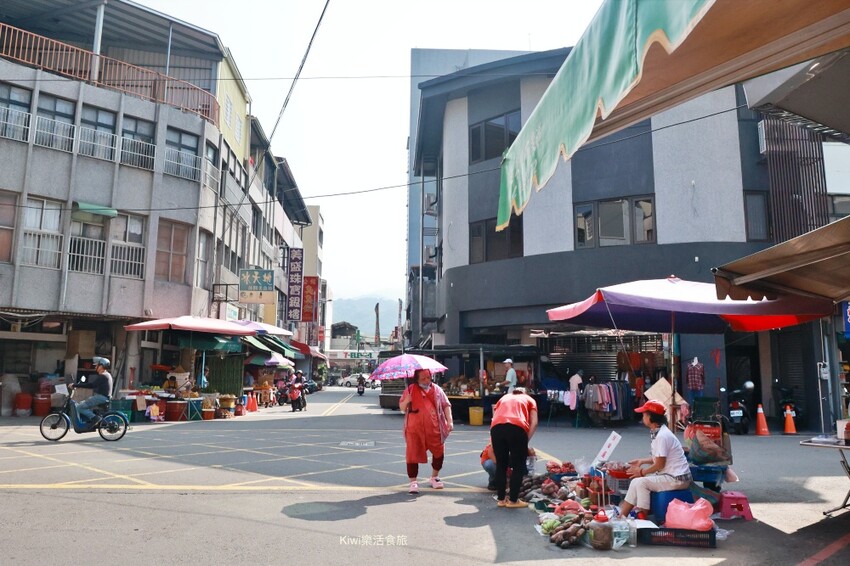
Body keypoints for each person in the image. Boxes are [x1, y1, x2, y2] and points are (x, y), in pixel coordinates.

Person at [618, 399, 692, 517]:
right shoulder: (659, 432)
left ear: (651, 417)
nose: (642, 417)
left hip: (677, 478)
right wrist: (642, 461)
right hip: (671, 475)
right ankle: (628, 516)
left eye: (644, 414)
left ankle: (635, 516)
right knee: (638, 482)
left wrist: (642, 472)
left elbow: (659, 465)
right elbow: (659, 458)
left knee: (640, 482)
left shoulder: (662, 436)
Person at [398, 368, 453, 494]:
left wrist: (449, 421)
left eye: (428, 377)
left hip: (434, 427)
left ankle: (434, 477)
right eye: (423, 378)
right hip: (414, 429)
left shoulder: (437, 389)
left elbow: (446, 405)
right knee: (412, 454)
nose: (427, 380)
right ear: (416, 379)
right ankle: (413, 481)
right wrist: (407, 400)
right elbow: (401, 407)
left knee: (439, 451)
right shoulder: (410, 389)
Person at [490, 387, 538, 508]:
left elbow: (494, 416)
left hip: (496, 428)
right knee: (518, 466)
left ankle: (501, 499)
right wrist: (525, 440)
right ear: (525, 393)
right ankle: (513, 500)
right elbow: (534, 422)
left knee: (501, 465)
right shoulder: (529, 399)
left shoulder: (504, 398)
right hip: (517, 428)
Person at [73, 357, 113, 424]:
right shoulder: (107, 374)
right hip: (102, 397)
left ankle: (95, 419)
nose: (95, 367)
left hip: (101, 397)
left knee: (79, 408)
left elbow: (91, 385)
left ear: (101, 366)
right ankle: (89, 421)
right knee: (82, 404)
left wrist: (75, 385)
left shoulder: (103, 376)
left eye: (97, 365)